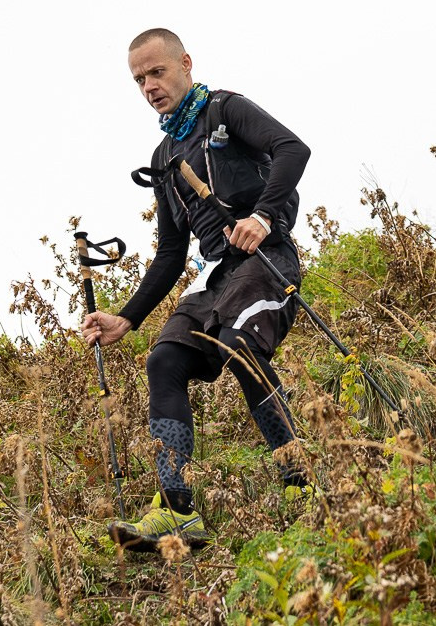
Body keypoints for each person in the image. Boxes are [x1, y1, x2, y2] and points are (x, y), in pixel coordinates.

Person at [81, 28, 312, 553]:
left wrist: (262, 215)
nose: (149, 87)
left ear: (185, 63)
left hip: (265, 260)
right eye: (139, 79)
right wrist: (128, 317)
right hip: (213, 276)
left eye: (157, 72)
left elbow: (292, 149)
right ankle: (178, 512)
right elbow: (169, 253)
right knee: (163, 361)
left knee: (238, 345)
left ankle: (301, 481)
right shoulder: (165, 155)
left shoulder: (227, 110)